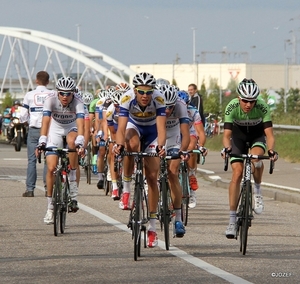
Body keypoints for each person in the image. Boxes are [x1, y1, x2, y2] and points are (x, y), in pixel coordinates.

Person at [113, 72, 166, 248]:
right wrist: (119, 145)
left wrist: (161, 146)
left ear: (153, 91)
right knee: (130, 144)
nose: (145, 96)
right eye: (141, 92)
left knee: (152, 177)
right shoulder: (126, 97)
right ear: (135, 90)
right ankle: (126, 189)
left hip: (152, 132)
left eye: (148, 92)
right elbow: (121, 128)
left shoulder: (159, 99)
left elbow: (161, 128)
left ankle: (152, 227)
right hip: (133, 127)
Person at [221, 78, 278, 239]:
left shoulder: (262, 107)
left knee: (256, 158)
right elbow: (226, 136)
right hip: (238, 137)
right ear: (239, 98)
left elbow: (269, 135)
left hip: (256, 137)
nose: (248, 104)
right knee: (237, 173)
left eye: (252, 101)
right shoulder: (231, 106)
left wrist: (272, 150)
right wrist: (226, 148)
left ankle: (258, 192)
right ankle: (232, 220)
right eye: (245, 100)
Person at [37, 77, 85, 224]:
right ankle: (50, 208)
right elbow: (45, 121)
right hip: (55, 130)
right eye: (62, 93)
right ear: (58, 92)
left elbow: (81, 123)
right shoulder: (50, 100)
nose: (65, 97)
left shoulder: (78, 101)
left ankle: (73, 192)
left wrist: (81, 141)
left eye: (68, 94)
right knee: (51, 168)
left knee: (72, 141)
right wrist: (42, 140)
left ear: (73, 93)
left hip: (71, 128)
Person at [160, 84, 190, 237]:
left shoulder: (180, 105)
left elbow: (185, 134)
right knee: (151, 167)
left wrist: (183, 151)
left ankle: (178, 219)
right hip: (157, 133)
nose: (167, 111)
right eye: (164, 107)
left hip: (174, 135)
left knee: (173, 172)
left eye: (169, 107)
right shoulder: (154, 102)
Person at [20, 71, 54, 197]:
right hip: (49, 131)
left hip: (34, 129)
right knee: (48, 159)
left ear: (36, 81)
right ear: (48, 81)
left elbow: (23, 115)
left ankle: (30, 189)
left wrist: (26, 121)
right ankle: (47, 188)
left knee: (31, 160)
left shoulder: (29, 95)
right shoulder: (52, 94)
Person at [177, 90, 208, 208]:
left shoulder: (193, 111)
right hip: (176, 133)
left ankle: (191, 175)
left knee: (192, 145)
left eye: (186, 106)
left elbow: (200, 131)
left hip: (189, 133)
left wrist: (201, 146)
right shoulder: (173, 110)